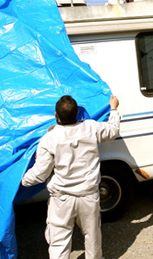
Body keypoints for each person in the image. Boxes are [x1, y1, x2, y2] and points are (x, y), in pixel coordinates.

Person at [21, 95, 120, 259]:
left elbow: (40, 173)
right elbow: (113, 131)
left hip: (62, 199)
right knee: (92, 236)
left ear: (55, 115)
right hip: (89, 196)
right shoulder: (91, 128)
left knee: (59, 243)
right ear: (77, 113)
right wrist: (114, 108)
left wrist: (21, 181)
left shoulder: (49, 139)